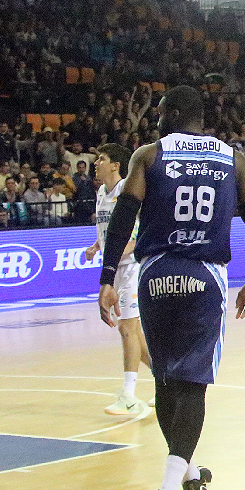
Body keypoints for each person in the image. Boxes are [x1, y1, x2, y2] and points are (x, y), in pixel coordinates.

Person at [98, 85, 245, 490]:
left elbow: (122, 218)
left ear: (174, 113)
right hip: (204, 278)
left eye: (159, 112)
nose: (155, 119)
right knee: (192, 384)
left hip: (156, 275)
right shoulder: (231, 158)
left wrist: (104, 279)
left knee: (165, 378)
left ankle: (191, 476)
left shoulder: (149, 154)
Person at [86, 144, 153, 416]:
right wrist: (96, 246)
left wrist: (116, 255)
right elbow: (109, 229)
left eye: (101, 159)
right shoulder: (102, 192)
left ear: (115, 165)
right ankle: (167, 380)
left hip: (132, 268)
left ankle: (128, 395)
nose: (95, 163)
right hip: (117, 267)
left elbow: (136, 234)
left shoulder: (129, 189)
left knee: (126, 328)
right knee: (133, 332)